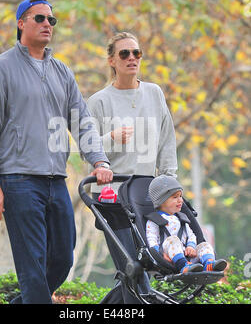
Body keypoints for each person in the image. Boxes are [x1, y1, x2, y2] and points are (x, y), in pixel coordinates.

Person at [0, 0, 113, 304]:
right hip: (17, 180)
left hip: (55, 179)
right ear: (20, 23)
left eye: (51, 20)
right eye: (39, 18)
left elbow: (82, 121)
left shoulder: (62, 72)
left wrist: (99, 159)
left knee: (63, 258)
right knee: (32, 266)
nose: (47, 25)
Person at [87, 32, 178, 303]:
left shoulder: (154, 92)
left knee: (144, 265)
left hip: (146, 194)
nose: (131, 58)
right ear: (112, 60)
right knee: (132, 267)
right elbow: (87, 149)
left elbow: (166, 137)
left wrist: (170, 181)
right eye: (124, 53)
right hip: (112, 195)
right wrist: (111, 139)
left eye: (136, 53)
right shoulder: (99, 101)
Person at [146, 175, 227, 273]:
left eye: (180, 196)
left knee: (204, 244)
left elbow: (191, 235)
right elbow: (152, 241)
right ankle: (183, 266)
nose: (180, 200)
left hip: (188, 254)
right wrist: (160, 255)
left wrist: (191, 246)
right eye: (175, 197)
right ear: (161, 201)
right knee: (173, 240)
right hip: (170, 257)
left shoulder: (181, 218)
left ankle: (209, 263)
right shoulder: (154, 221)